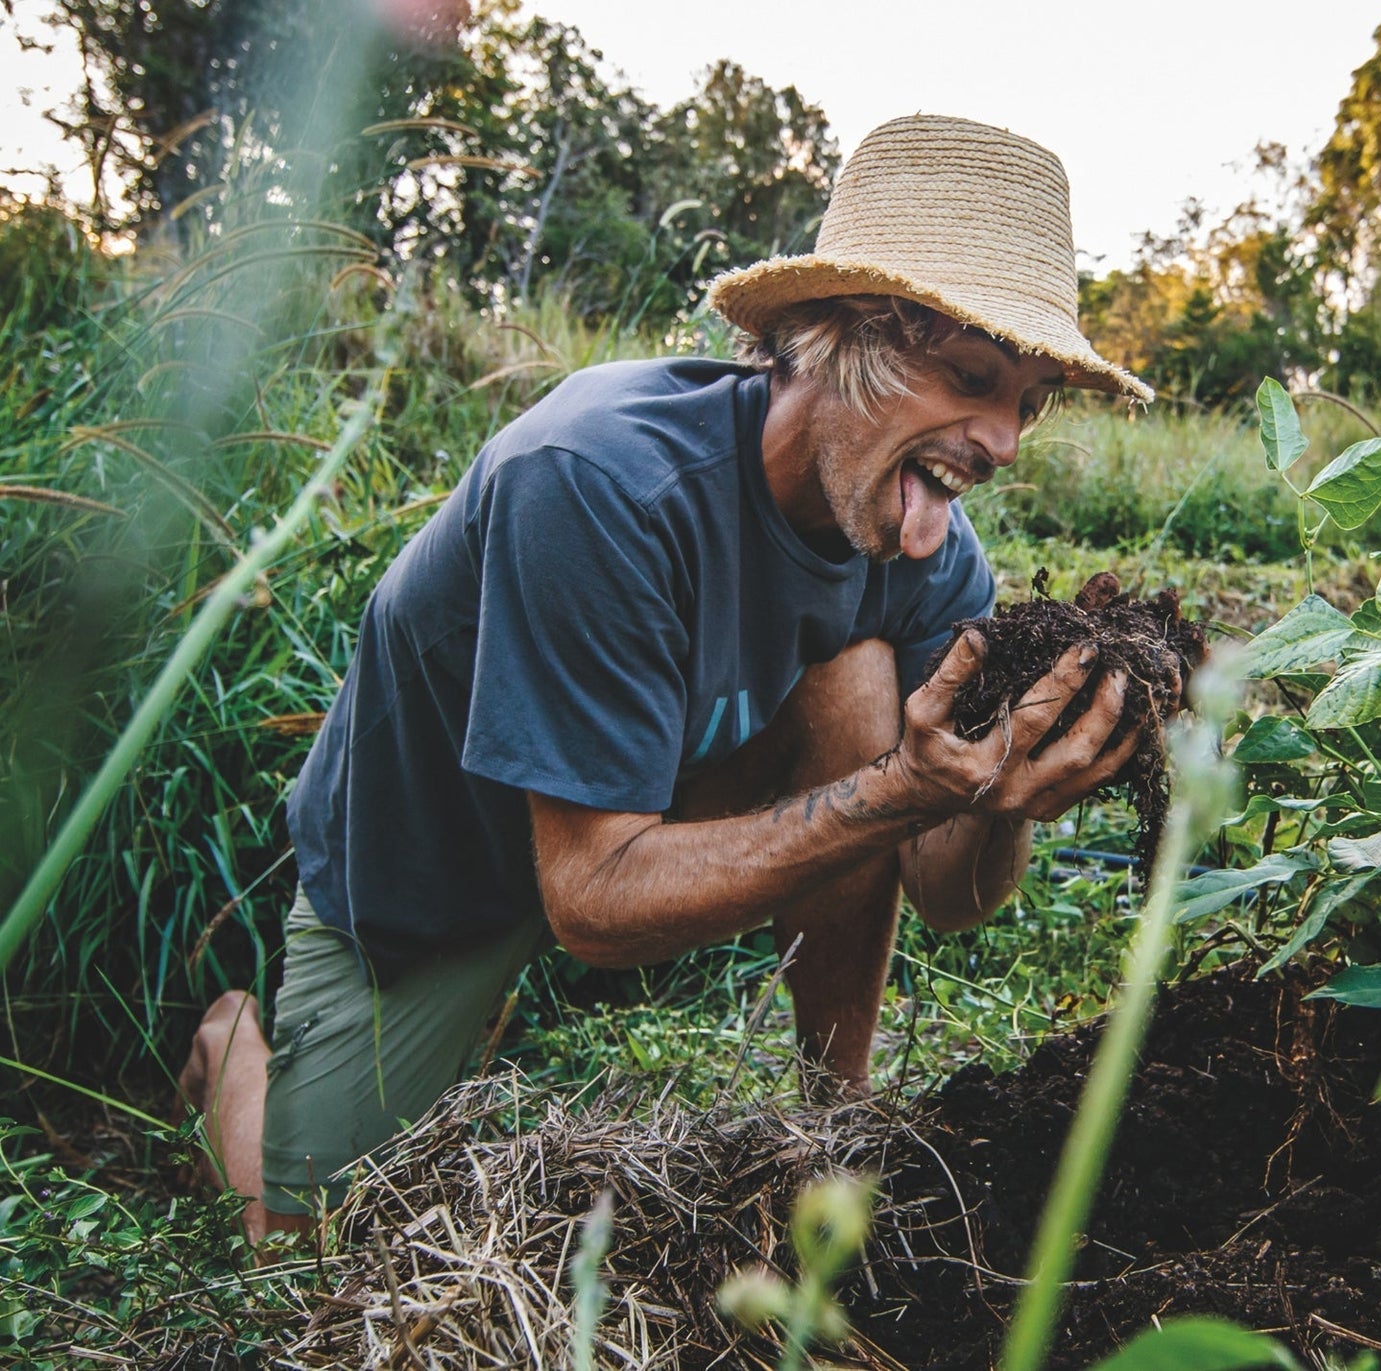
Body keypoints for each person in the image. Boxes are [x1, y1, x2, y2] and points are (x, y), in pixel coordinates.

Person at [178, 114, 1154, 1242]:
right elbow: (592, 902)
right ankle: (234, 1042)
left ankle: (835, 1129)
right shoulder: (599, 478)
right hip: (435, 863)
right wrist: (897, 790)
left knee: (857, 670)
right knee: (303, 1243)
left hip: (644, 803)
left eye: (1028, 400)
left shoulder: (923, 542)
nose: (1005, 439)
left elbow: (950, 893)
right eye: (972, 375)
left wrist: (1008, 794)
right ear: (837, 337)